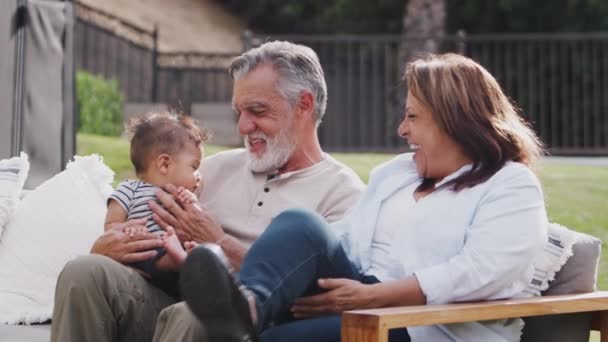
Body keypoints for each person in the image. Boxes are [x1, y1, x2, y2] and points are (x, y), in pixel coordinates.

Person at [179, 53, 549, 342]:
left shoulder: (509, 185)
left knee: (276, 340)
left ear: (455, 121)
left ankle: (245, 326)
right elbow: (347, 239)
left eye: (413, 117)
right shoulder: (398, 175)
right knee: (299, 223)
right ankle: (248, 308)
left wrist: (375, 297)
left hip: (427, 326)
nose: (402, 129)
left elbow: (483, 271)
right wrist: (305, 270)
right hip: (360, 296)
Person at [50, 40, 365, 342]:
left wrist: (217, 242)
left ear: (304, 105)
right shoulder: (211, 170)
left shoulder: (342, 193)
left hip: (248, 329)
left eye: (257, 111)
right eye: (238, 112)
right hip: (167, 301)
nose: (243, 127)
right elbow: (151, 230)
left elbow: (315, 299)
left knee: (198, 315)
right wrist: (113, 246)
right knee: (84, 271)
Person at [104, 112, 204, 296]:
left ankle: (181, 259)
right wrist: (130, 230)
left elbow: (197, 224)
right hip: (141, 257)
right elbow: (111, 225)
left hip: (173, 283)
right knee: (148, 252)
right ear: (165, 164)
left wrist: (193, 203)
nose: (199, 176)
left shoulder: (183, 197)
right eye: (194, 167)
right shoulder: (130, 189)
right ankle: (177, 260)